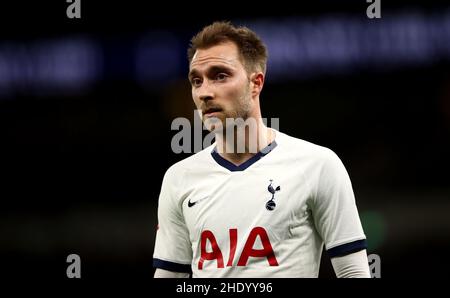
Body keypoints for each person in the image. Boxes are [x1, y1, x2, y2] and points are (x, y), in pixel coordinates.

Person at [153, 21, 371, 278]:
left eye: (220, 75)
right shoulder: (178, 179)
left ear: (256, 83)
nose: (205, 92)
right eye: (196, 81)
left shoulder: (318, 165)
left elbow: (353, 273)